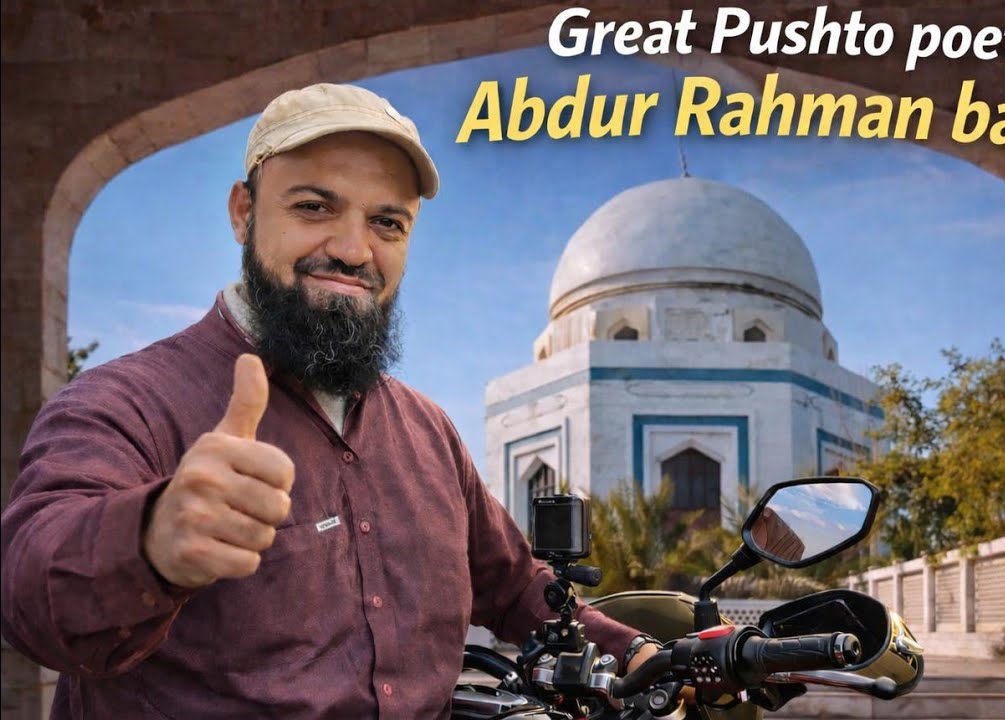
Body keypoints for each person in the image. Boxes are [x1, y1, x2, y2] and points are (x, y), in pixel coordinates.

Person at [0, 83, 663, 718]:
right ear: (243, 212)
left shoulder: (427, 431)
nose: (352, 250)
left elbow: (514, 586)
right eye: (314, 207)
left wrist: (635, 651)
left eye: (386, 223)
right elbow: (26, 591)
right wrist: (149, 541)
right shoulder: (129, 403)